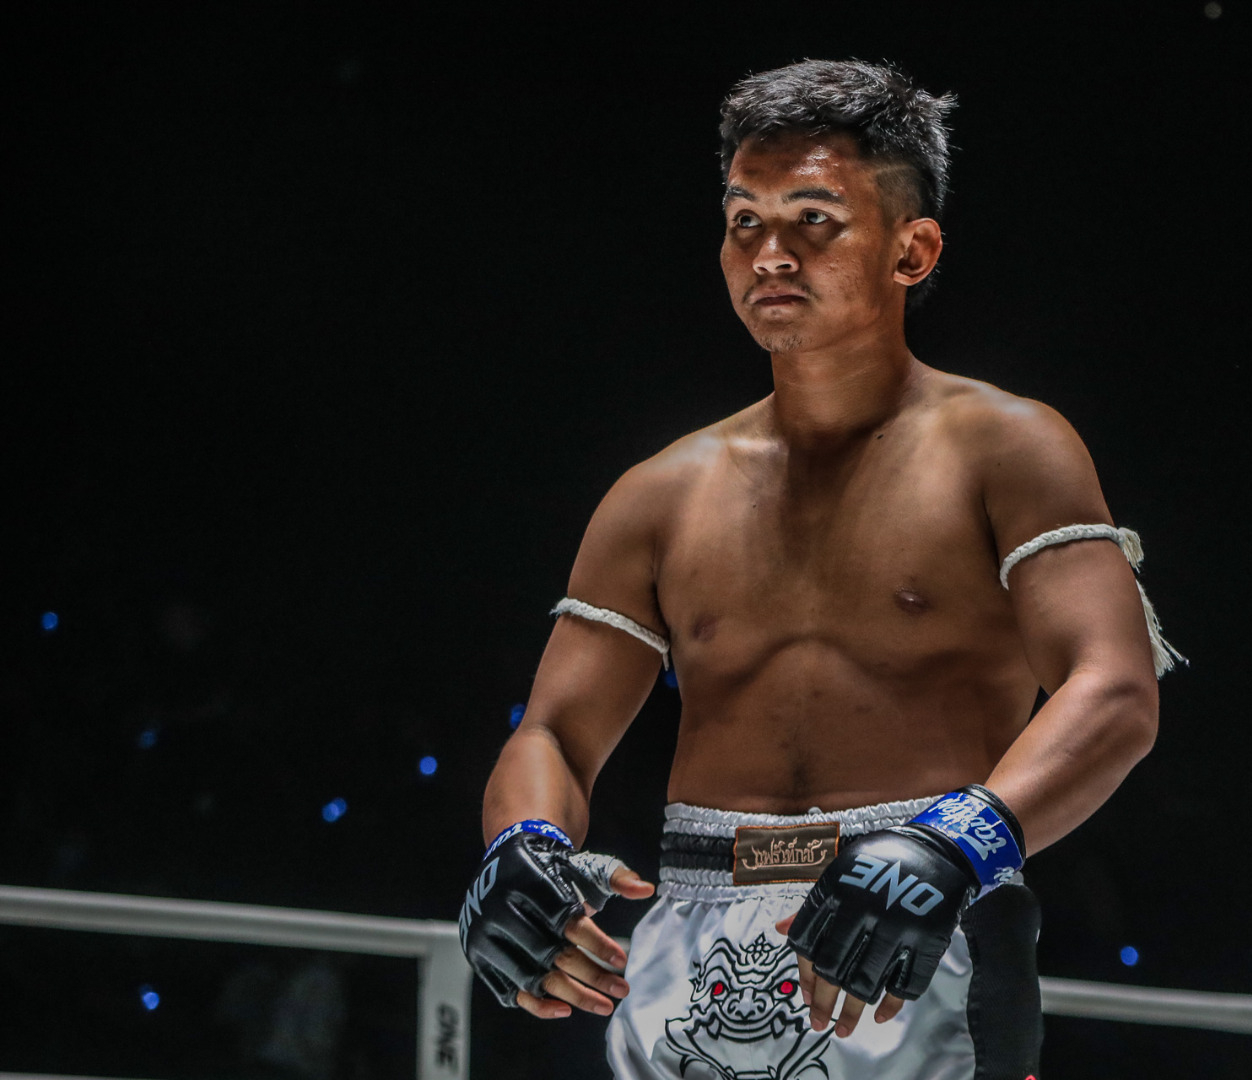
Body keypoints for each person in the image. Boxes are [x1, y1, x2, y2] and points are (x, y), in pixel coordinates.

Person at [458, 59, 1179, 1079]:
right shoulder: (658, 493)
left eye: (813, 221)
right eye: (744, 221)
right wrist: (520, 843)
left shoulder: (1008, 447)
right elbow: (554, 735)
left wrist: (954, 844)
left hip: (920, 924)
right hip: (690, 936)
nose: (770, 254)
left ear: (911, 250)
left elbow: (1115, 688)